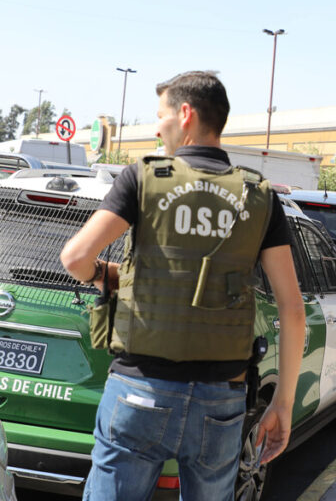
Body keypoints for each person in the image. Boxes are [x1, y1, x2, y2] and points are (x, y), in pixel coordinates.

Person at [60, 71, 305, 501]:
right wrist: (282, 404)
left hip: (139, 390)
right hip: (222, 401)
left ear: (186, 115)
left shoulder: (143, 178)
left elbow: (75, 258)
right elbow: (292, 309)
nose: (157, 127)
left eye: (161, 115)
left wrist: (103, 276)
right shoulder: (258, 195)